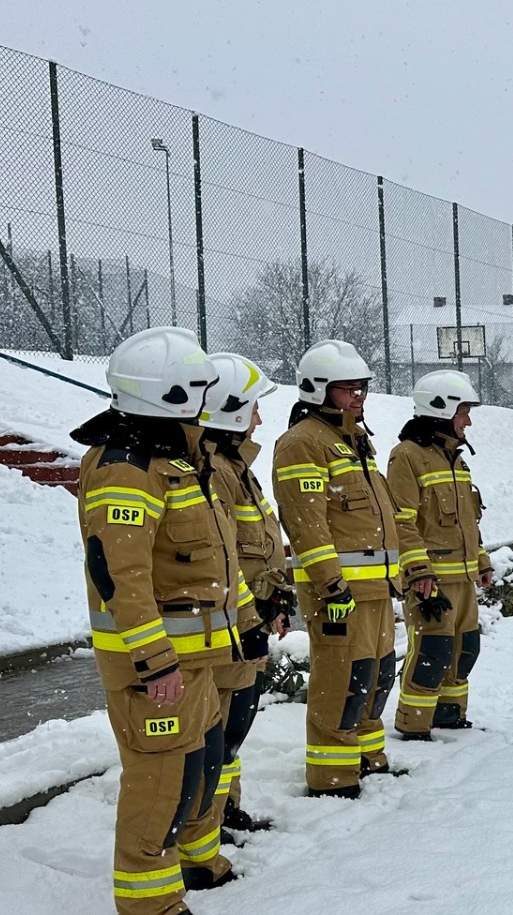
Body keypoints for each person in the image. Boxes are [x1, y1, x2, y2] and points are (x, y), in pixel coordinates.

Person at [70, 327, 230, 915]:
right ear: (173, 394)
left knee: (190, 776)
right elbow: (121, 576)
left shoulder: (173, 458)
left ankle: (175, 886)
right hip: (156, 670)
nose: (207, 401)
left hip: (195, 660)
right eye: (199, 390)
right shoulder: (127, 471)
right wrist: (155, 660)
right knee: (158, 785)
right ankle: (150, 911)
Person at [274, 340, 414, 798]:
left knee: (375, 676)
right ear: (318, 390)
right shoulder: (302, 444)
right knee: (341, 682)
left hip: (375, 588)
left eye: (362, 388)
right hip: (339, 592)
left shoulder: (353, 438)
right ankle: (332, 777)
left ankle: (367, 757)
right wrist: (331, 585)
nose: (358, 397)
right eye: (347, 389)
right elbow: (306, 523)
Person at [198, 352, 290, 842]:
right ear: (230, 411)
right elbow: (224, 557)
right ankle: (207, 823)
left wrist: (274, 598)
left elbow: (256, 545)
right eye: (253, 407)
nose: (260, 417)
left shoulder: (235, 466)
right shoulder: (216, 470)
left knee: (236, 719)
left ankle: (224, 809)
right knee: (226, 722)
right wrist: (252, 614)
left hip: (248, 612)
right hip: (230, 618)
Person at [388, 371, 495, 740]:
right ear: (442, 409)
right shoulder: (407, 457)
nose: (469, 420)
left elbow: (468, 521)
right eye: (464, 411)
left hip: (462, 580)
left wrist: (481, 561)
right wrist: (418, 572)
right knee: (432, 651)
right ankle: (414, 723)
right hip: (431, 579)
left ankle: (449, 714)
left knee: (466, 648)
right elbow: (401, 520)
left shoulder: (455, 460)